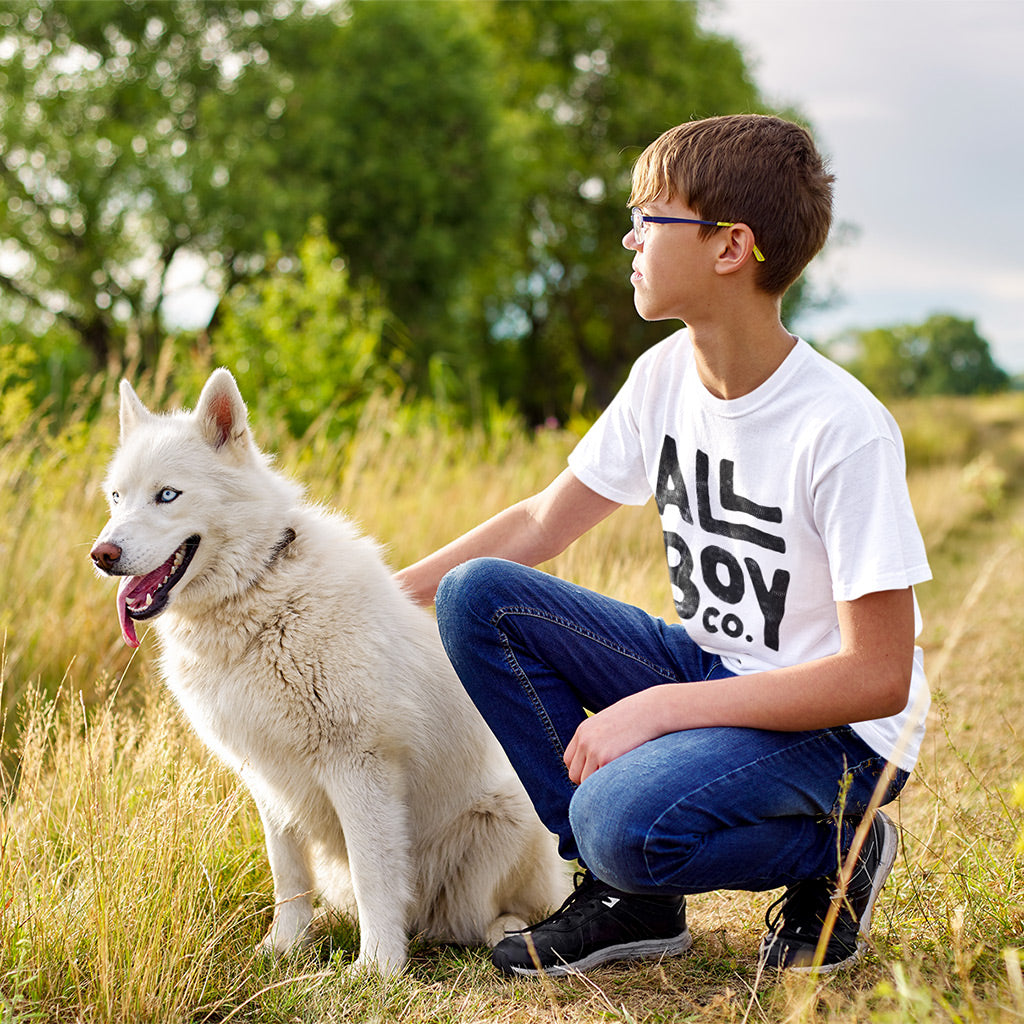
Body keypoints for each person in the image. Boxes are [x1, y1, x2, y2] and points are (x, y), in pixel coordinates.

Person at [395, 114, 931, 978]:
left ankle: (840, 851)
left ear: (731, 247)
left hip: (840, 734)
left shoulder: (843, 429)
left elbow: (878, 675)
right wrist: (381, 596)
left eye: (651, 218)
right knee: (477, 594)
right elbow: (540, 521)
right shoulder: (663, 375)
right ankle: (628, 900)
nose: (629, 237)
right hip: (711, 664)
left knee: (613, 819)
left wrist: (660, 709)